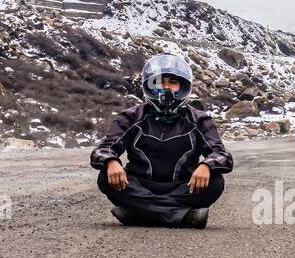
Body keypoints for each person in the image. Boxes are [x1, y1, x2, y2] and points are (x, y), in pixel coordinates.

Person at [91, 52, 233, 229]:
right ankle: (181, 216)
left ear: (182, 86)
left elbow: (222, 155)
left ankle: (139, 213)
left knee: (215, 182)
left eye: (172, 82)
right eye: (158, 82)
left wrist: (206, 166)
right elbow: (101, 150)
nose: (165, 87)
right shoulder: (130, 117)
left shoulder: (200, 119)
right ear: (149, 86)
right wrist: (111, 161)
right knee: (105, 177)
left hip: (183, 186)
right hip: (139, 185)